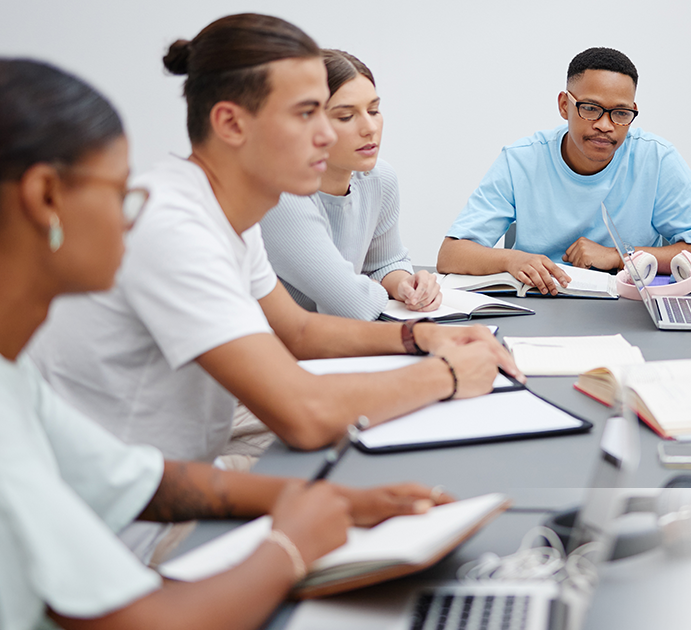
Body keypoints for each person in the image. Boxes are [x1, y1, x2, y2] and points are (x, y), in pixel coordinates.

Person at [0, 56, 454, 630]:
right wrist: (291, 544)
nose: (334, 133)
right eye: (120, 193)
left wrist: (325, 501)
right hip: (141, 564)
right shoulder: (171, 223)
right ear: (45, 198)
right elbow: (154, 623)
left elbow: (143, 478)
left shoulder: (11, 381)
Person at [28, 16, 519, 472]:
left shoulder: (228, 215)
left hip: (192, 458)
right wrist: (449, 375)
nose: (331, 135)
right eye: (310, 114)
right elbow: (303, 414)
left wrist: (422, 337)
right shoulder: (175, 227)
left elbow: (300, 331)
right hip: (140, 516)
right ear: (231, 124)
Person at [436, 47, 691, 296]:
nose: (605, 125)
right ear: (565, 105)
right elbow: (451, 255)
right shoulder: (521, 161)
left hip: (627, 305)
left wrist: (619, 256)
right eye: (590, 108)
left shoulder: (656, 158)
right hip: (541, 303)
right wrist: (510, 259)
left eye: (621, 113)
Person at [260, 49, 441, 321]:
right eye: (346, 116)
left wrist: (405, 284)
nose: (370, 128)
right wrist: (370, 289)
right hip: (273, 350)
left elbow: (385, 261)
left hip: (333, 343)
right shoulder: (281, 194)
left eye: (374, 110)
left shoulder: (380, 178)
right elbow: (351, 306)